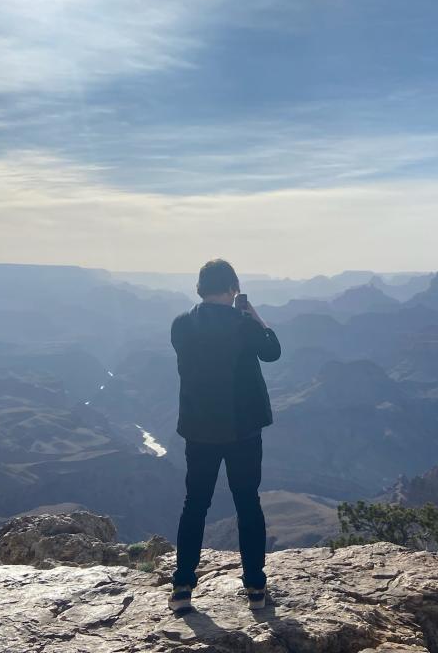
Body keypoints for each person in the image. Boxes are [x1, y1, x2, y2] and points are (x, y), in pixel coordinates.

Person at [168, 259, 281, 613]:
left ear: (200, 289)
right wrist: (255, 317)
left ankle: (183, 586)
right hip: (242, 430)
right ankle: (255, 588)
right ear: (233, 289)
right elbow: (273, 352)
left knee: (195, 504)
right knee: (247, 503)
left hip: (199, 430)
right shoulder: (243, 325)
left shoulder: (181, 325)